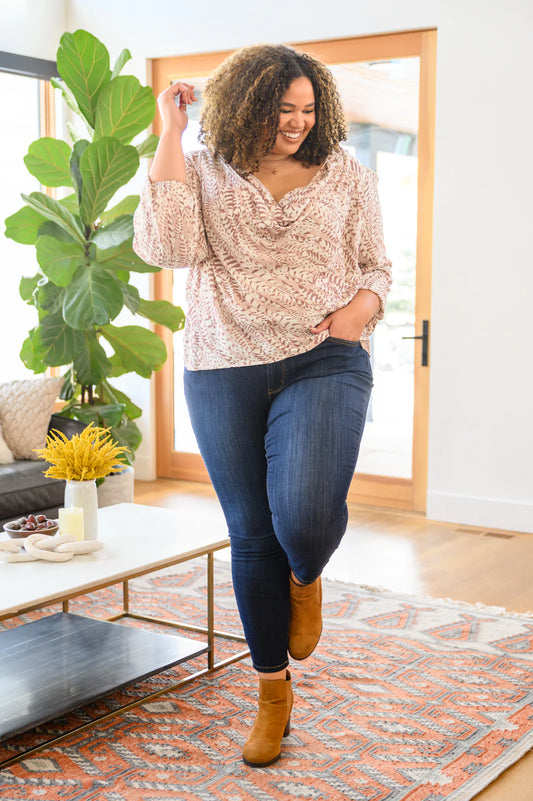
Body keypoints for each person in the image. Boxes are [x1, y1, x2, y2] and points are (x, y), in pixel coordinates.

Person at [133, 43, 392, 768]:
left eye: (307, 110)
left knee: (302, 518)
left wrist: (360, 310)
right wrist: (170, 133)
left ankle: (306, 575)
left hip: (324, 358)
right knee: (251, 534)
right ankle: (272, 694)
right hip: (222, 366)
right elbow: (166, 247)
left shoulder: (346, 174)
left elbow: (376, 265)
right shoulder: (201, 167)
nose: (297, 123)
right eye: (282, 109)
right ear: (247, 105)